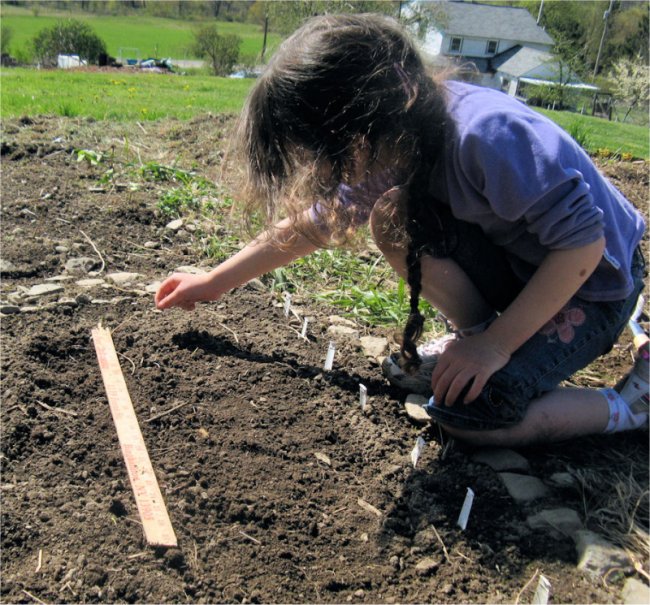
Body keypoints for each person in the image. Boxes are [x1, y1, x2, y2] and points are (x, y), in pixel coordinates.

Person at [155, 14, 647, 446]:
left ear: (366, 119)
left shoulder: (488, 136)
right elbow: (317, 224)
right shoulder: (397, 137)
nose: (332, 172)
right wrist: (214, 282)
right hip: (522, 264)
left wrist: (496, 348)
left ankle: (631, 407)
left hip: (592, 285)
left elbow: (584, 247)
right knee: (393, 216)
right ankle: (473, 336)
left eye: (329, 154)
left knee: (472, 413)